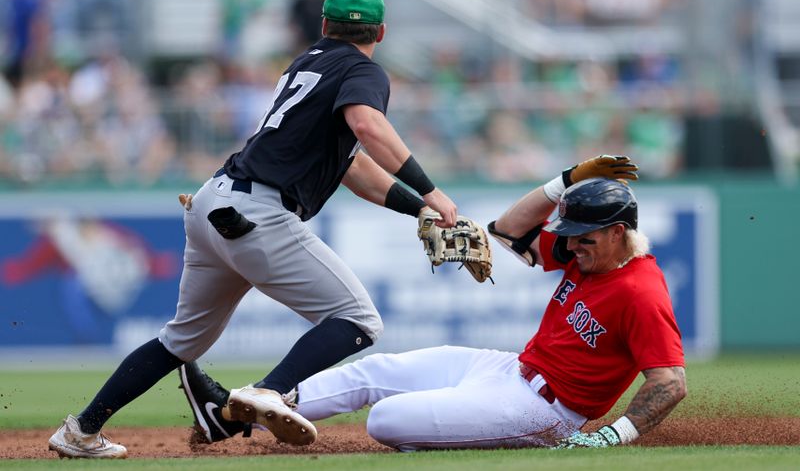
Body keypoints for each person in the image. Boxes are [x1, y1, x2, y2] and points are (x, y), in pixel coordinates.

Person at [48, 0, 458, 459]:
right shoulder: (362, 70)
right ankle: (270, 388)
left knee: (179, 340)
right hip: (256, 213)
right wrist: (433, 191)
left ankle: (81, 429)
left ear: (324, 24)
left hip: (212, 204)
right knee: (357, 319)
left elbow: (352, 165)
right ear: (381, 33)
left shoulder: (308, 63)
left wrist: (418, 207)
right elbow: (366, 123)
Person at [179, 155, 686, 451]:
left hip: (549, 410)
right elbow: (507, 232)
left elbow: (669, 383)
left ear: (619, 232)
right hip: (510, 370)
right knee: (371, 372)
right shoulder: (589, 256)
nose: (571, 244)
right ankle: (234, 413)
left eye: (583, 236)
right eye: (569, 234)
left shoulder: (641, 291)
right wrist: (566, 181)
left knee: (387, 419)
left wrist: (613, 437)